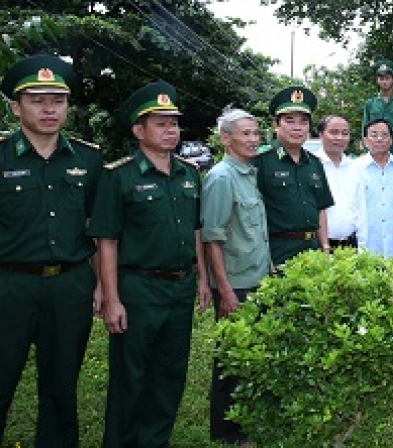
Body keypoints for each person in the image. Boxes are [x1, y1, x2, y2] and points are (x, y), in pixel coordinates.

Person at [90, 81, 211, 448]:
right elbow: (106, 241)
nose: (170, 130)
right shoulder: (119, 176)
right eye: (159, 123)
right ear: (138, 130)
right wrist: (111, 298)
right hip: (139, 288)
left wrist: (202, 279)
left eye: (173, 123)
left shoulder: (190, 174)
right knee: (131, 375)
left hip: (180, 286)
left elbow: (195, 232)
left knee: (170, 374)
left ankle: (154, 441)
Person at [0, 55, 103, 448]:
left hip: (69, 285)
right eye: (38, 100)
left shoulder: (89, 159)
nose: (49, 110)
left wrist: (99, 286)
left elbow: (98, 229)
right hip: (8, 285)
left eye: (57, 101)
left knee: (62, 388)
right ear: (16, 107)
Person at [201, 108, 271, 444]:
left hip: (257, 277)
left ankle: (248, 422)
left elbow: (251, 230)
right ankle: (227, 432)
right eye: (245, 133)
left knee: (251, 355)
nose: (254, 139)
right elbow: (212, 239)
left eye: (256, 133)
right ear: (225, 138)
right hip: (236, 284)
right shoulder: (221, 177)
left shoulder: (247, 173)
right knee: (230, 360)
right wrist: (224, 290)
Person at [254, 86, 334, 265]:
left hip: (313, 251)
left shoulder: (315, 163)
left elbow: (321, 208)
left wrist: (325, 248)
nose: (297, 128)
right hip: (277, 251)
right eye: (290, 121)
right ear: (276, 125)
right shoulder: (261, 161)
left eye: (304, 122)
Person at [356, 118, 393, 256]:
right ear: (365, 141)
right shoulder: (355, 168)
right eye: (374, 134)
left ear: (391, 140)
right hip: (367, 246)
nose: (379, 139)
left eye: (384, 135)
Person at [317, 115, 364, 249]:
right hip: (321, 245)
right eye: (333, 132)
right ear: (321, 135)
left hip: (350, 244)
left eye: (345, 133)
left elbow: (360, 208)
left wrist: (361, 244)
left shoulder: (354, 167)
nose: (339, 138)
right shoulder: (312, 165)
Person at [362, 60, 393, 158]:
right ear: (377, 80)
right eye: (381, 78)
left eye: (387, 78)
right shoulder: (370, 103)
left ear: (392, 80)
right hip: (375, 144)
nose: (384, 81)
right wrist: (367, 148)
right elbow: (365, 127)